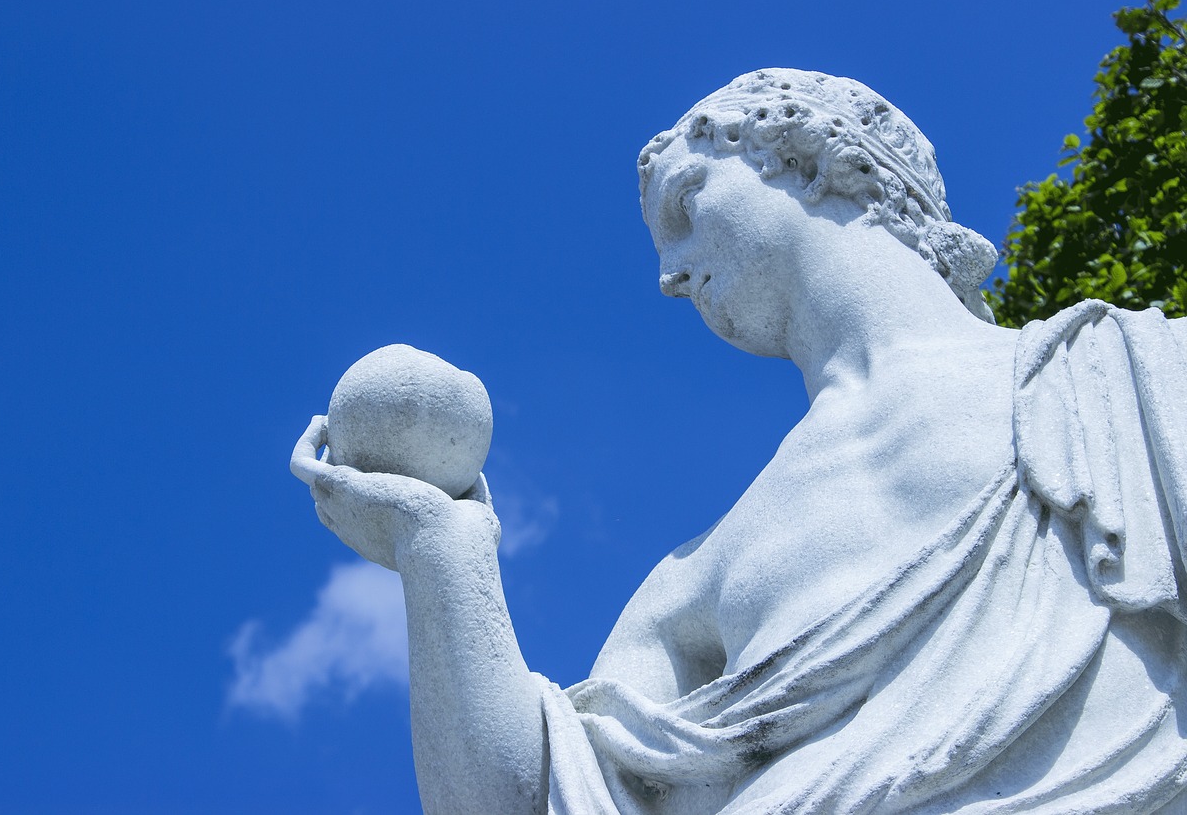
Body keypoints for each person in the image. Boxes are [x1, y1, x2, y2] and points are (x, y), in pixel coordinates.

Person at [291, 69, 1187, 814]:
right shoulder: (697, 574)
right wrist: (439, 549)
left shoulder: (1129, 376)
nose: (669, 275)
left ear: (816, 160)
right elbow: (527, 803)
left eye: (686, 202)